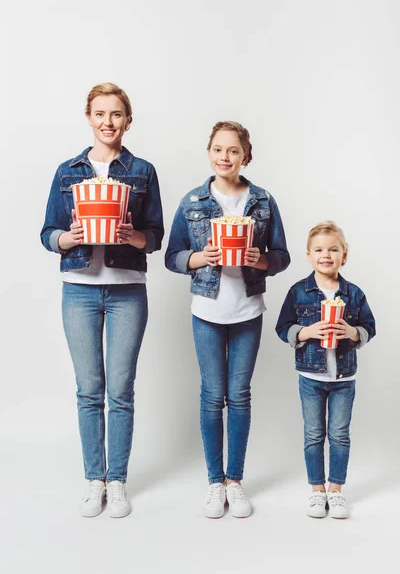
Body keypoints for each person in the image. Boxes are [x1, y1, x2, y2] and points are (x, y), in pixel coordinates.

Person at [41, 83, 164, 518]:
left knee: (122, 390)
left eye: (116, 114)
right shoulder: (67, 170)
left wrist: (134, 236)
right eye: (100, 114)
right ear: (89, 118)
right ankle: (95, 478)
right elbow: (46, 232)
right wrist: (65, 238)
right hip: (79, 290)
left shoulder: (143, 170)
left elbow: (157, 236)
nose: (108, 122)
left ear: (127, 120)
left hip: (128, 289)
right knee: (89, 390)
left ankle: (118, 481)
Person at [165, 121, 290, 518]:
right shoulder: (192, 200)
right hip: (206, 311)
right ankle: (213, 481)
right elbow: (173, 256)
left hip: (248, 311)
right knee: (210, 395)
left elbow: (282, 256)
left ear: (245, 156)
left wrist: (263, 260)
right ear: (209, 153)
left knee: (238, 396)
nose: (225, 157)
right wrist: (202, 257)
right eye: (218, 149)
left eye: (233, 151)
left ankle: (235, 481)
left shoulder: (263, 201)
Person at [276, 221, 375, 518]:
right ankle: (317, 491)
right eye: (319, 250)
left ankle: (336, 490)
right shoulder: (298, 291)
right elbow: (283, 327)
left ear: (344, 255)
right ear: (308, 255)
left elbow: (369, 327)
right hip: (311, 377)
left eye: (333, 249)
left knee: (340, 435)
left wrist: (353, 332)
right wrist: (307, 332)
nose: (326, 255)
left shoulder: (354, 294)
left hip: (345, 378)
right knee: (314, 433)